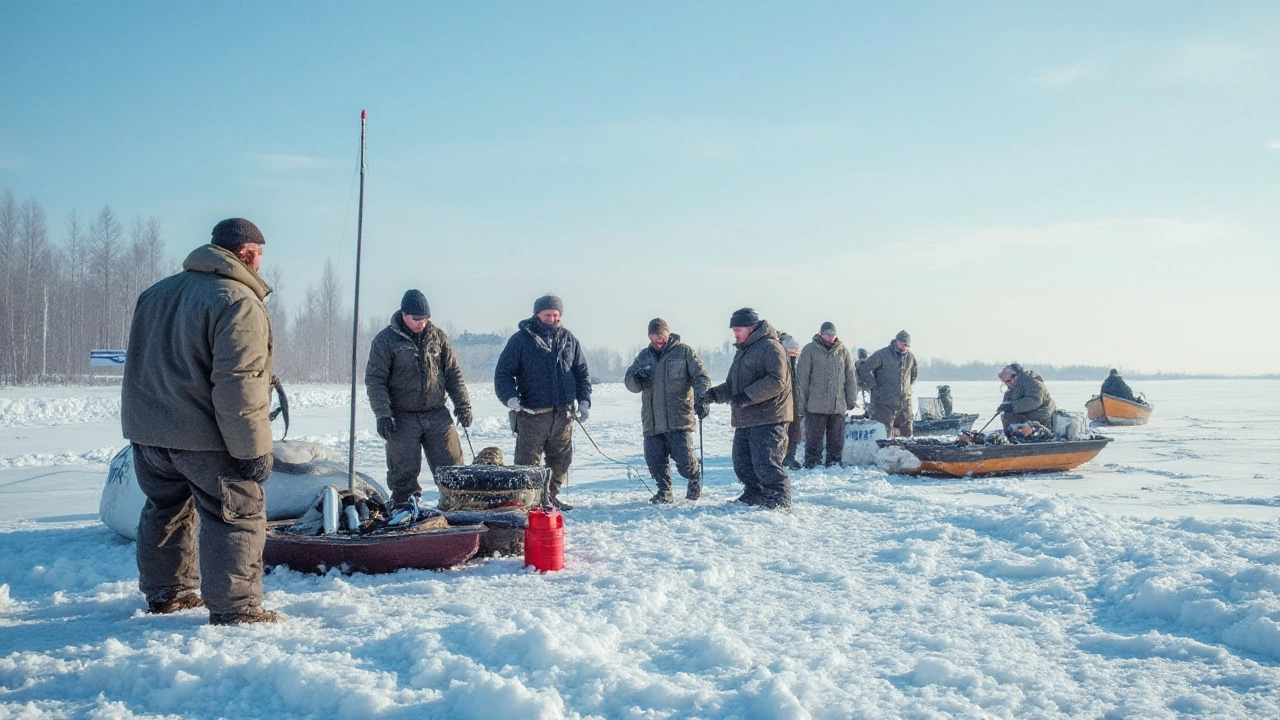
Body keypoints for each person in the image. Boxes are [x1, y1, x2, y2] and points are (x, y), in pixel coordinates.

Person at [120, 218, 282, 626]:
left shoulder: (155, 294)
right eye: (260, 255)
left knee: (164, 510)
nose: (261, 264)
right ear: (245, 253)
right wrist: (253, 450)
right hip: (207, 436)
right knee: (237, 515)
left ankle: (167, 593)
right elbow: (238, 382)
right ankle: (237, 608)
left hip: (151, 435)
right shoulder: (237, 299)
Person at [365, 289, 471, 508]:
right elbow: (376, 380)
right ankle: (404, 512)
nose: (421, 323)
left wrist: (463, 405)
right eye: (416, 319)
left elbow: (453, 374)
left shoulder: (438, 337)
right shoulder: (385, 341)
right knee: (403, 475)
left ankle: (457, 511)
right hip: (402, 417)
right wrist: (383, 414)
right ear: (403, 315)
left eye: (425, 319)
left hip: (436, 413)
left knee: (453, 469)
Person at [494, 294, 592, 510]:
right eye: (548, 314)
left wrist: (584, 400)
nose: (552, 318)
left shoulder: (569, 340)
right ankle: (526, 503)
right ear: (537, 314)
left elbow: (582, 373)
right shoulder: (520, 341)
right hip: (532, 414)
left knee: (561, 462)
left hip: (563, 415)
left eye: (556, 315)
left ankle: (549, 497)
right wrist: (510, 398)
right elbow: (503, 374)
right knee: (526, 464)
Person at [700, 308, 793, 509]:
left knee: (766, 462)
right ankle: (754, 493)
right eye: (733, 330)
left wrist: (748, 396)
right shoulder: (743, 352)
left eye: (738, 329)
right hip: (746, 417)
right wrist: (713, 395)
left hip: (769, 416)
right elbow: (733, 385)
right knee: (741, 461)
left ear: (751, 327)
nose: (734, 334)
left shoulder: (771, 347)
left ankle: (778, 499)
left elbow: (777, 381)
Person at [624, 318, 711, 503]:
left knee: (684, 461)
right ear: (649, 337)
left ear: (668, 334)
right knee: (654, 460)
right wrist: (636, 378)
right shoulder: (643, 357)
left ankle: (694, 475)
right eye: (655, 336)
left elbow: (701, 377)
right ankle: (665, 491)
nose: (659, 339)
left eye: (662, 335)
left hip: (678, 419)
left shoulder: (684, 352)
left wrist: (701, 398)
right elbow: (629, 383)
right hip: (652, 421)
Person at [795, 322, 859, 467]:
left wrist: (850, 399)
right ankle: (812, 463)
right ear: (821, 333)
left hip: (837, 405)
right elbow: (802, 379)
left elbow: (850, 377)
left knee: (836, 441)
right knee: (814, 440)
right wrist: (801, 403)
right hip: (816, 405)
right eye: (827, 334)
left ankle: (834, 464)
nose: (830, 338)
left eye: (832, 335)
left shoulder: (843, 351)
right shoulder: (809, 350)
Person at [857, 330, 918, 437]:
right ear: (897, 341)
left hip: (904, 403)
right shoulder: (882, 354)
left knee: (907, 435)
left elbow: (913, 374)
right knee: (883, 435)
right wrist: (874, 386)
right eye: (903, 344)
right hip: (884, 403)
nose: (905, 347)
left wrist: (907, 389)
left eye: (907, 345)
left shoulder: (910, 357)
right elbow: (864, 369)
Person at [997, 363, 1057, 431]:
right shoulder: (1012, 389)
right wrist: (1004, 406)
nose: (1011, 382)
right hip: (1025, 415)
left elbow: (1034, 401)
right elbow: (1009, 402)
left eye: (1012, 377)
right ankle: (1011, 434)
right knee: (1007, 415)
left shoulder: (1033, 383)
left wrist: (1013, 406)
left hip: (1041, 415)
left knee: (1013, 417)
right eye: (1007, 381)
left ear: (1016, 374)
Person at [778, 333, 804, 469]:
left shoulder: (797, 363)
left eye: (795, 351)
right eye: (791, 351)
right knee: (782, 431)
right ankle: (780, 458)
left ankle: (790, 457)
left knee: (795, 431)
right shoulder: (778, 360)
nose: (793, 354)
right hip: (782, 402)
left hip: (796, 400)